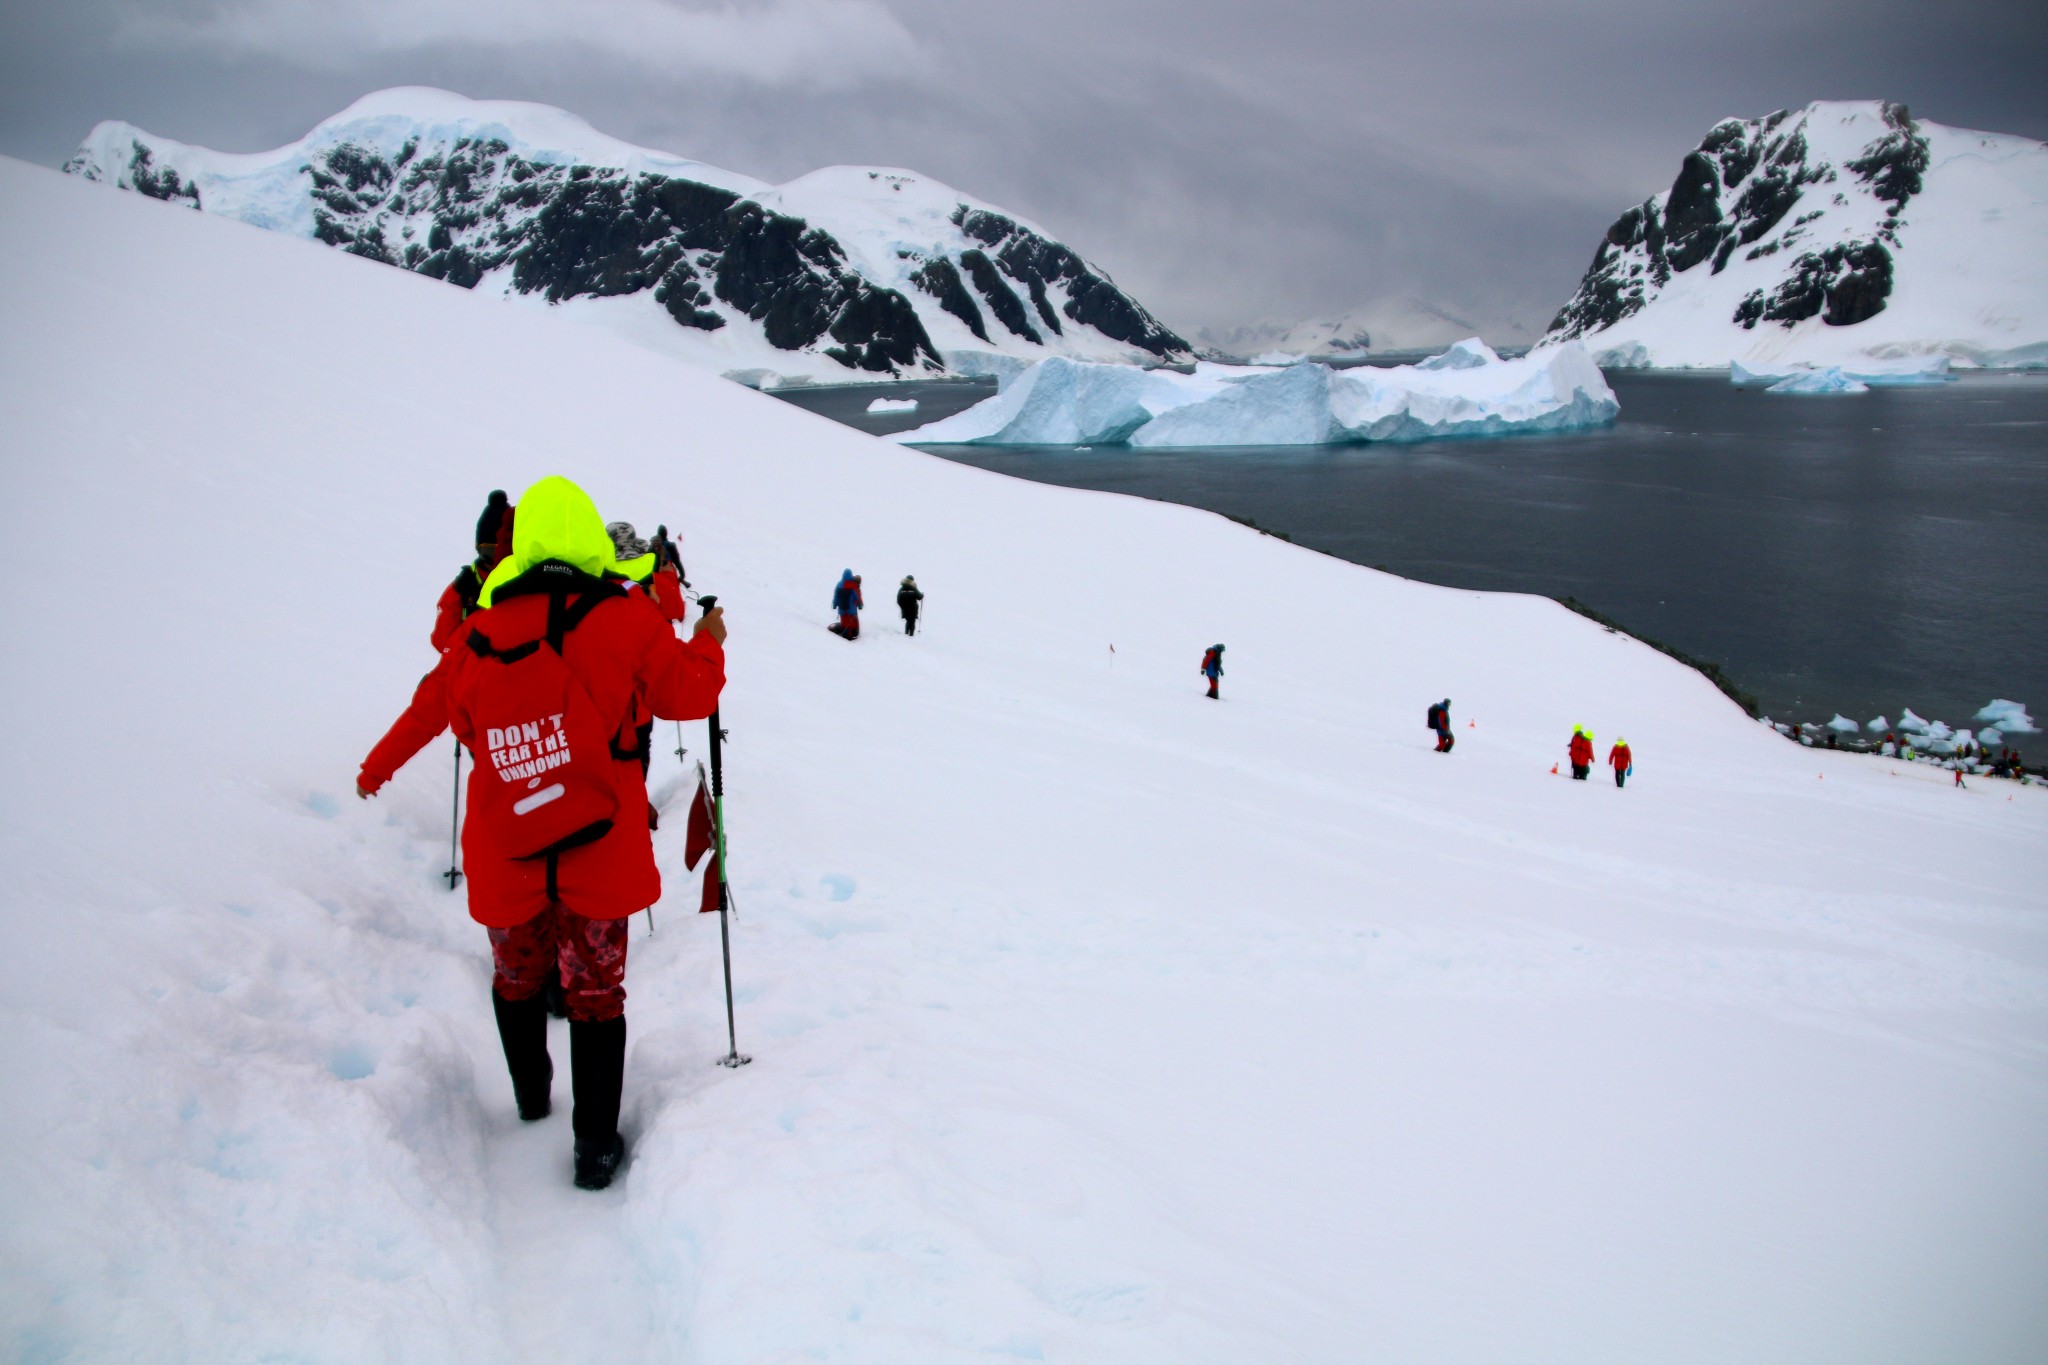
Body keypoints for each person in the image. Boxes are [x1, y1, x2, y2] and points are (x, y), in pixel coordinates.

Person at [356, 476, 727, 1191]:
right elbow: (692, 693)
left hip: (509, 842)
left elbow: (428, 711)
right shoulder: (624, 617)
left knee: (517, 975)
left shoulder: (480, 631)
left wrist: (376, 769)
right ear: (589, 540)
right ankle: (594, 1146)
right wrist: (709, 643)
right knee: (596, 993)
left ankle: (531, 1096)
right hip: (602, 841)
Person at [431, 490, 511, 653]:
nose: (495, 560)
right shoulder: (465, 587)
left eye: (502, 551)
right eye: (489, 551)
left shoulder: (523, 580)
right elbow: (442, 640)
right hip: (471, 667)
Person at [830, 570, 863, 639]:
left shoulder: (839, 584)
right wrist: (860, 605)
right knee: (853, 623)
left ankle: (847, 634)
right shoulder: (852, 585)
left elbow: (836, 597)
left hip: (842, 609)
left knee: (845, 623)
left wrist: (834, 605)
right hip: (852, 610)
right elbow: (857, 597)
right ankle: (854, 633)